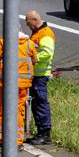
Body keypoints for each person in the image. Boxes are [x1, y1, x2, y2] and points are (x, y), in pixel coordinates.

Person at [0, 32, 37, 148]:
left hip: (6, 84)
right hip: (22, 85)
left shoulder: (4, 42)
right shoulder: (29, 44)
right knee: (19, 112)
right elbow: (35, 60)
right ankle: (18, 141)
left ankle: (1, 139)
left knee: (1, 110)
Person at [25, 10, 55, 145]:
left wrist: (32, 58)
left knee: (41, 104)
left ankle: (45, 133)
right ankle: (40, 132)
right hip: (35, 75)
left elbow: (47, 53)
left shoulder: (45, 34)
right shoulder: (37, 33)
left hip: (41, 76)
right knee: (36, 104)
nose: (28, 26)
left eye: (28, 23)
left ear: (34, 20)